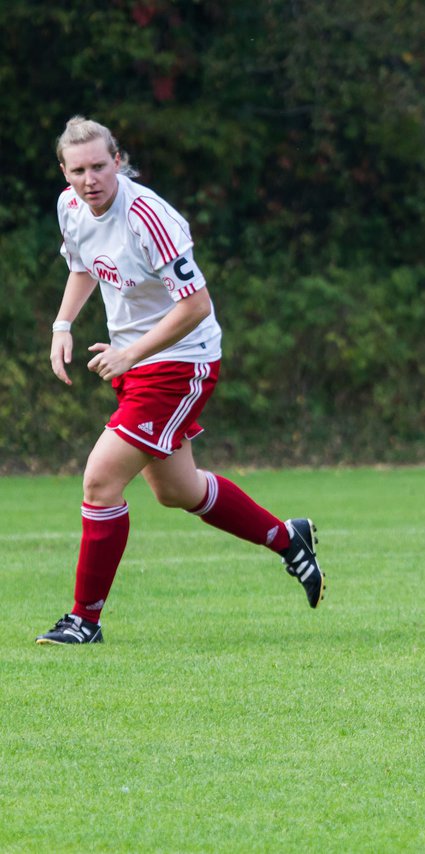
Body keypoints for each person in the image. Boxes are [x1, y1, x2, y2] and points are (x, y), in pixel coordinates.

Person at [37, 116, 325, 645]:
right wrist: (62, 326)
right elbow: (82, 266)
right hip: (137, 359)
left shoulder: (149, 217)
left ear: (117, 161)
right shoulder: (70, 206)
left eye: (100, 166)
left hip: (180, 360)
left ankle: (84, 619)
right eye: (78, 170)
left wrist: (131, 354)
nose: (90, 178)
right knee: (177, 490)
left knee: (100, 482)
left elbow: (196, 306)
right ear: (65, 171)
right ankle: (288, 539)